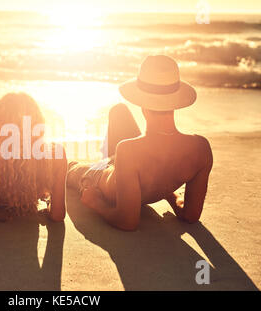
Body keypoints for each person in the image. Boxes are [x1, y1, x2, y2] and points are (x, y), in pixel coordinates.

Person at [67, 55, 213, 231]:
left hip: (99, 175)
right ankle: (111, 160)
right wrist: (170, 194)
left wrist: (96, 203)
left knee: (70, 167)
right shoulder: (201, 148)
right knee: (119, 111)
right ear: (175, 102)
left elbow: (127, 222)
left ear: (142, 103)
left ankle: (90, 164)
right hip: (130, 164)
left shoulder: (129, 150)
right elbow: (190, 215)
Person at [0, 92, 67, 227]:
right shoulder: (56, 154)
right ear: (38, 122)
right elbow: (57, 215)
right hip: (29, 194)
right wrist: (50, 203)